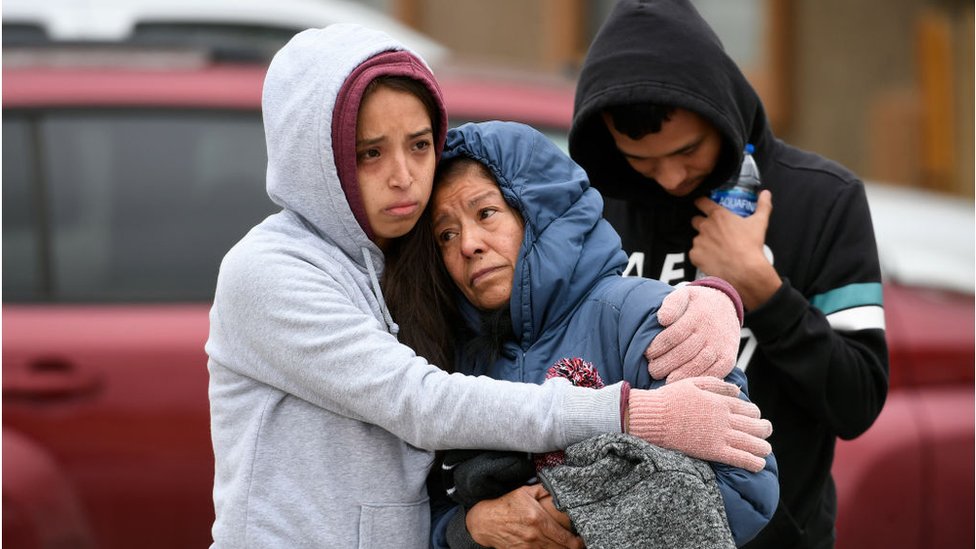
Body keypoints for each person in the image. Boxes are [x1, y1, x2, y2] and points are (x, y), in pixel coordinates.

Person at [205, 24, 771, 548]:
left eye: (420, 145)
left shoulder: (407, 277)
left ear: (537, 211)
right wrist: (622, 417)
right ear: (319, 160)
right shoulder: (272, 271)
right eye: (369, 152)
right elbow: (420, 404)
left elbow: (746, 482)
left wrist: (715, 297)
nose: (404, 176)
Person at [568, 1, 890, 547]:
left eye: (688, 150)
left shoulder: (823, 200)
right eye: (641, 161)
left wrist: (761, 289)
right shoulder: (592, 211)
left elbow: (857, 399)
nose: (670, 177)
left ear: (722, 110)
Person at [392, 121, 776, 548]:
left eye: (486, 214)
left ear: (540, 213)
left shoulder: (642, 316)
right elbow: (411, 511)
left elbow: (747, 484)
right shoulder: (447, 359)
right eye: (446, 234)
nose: (469, 244)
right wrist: (472, 526)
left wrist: (568, 516)